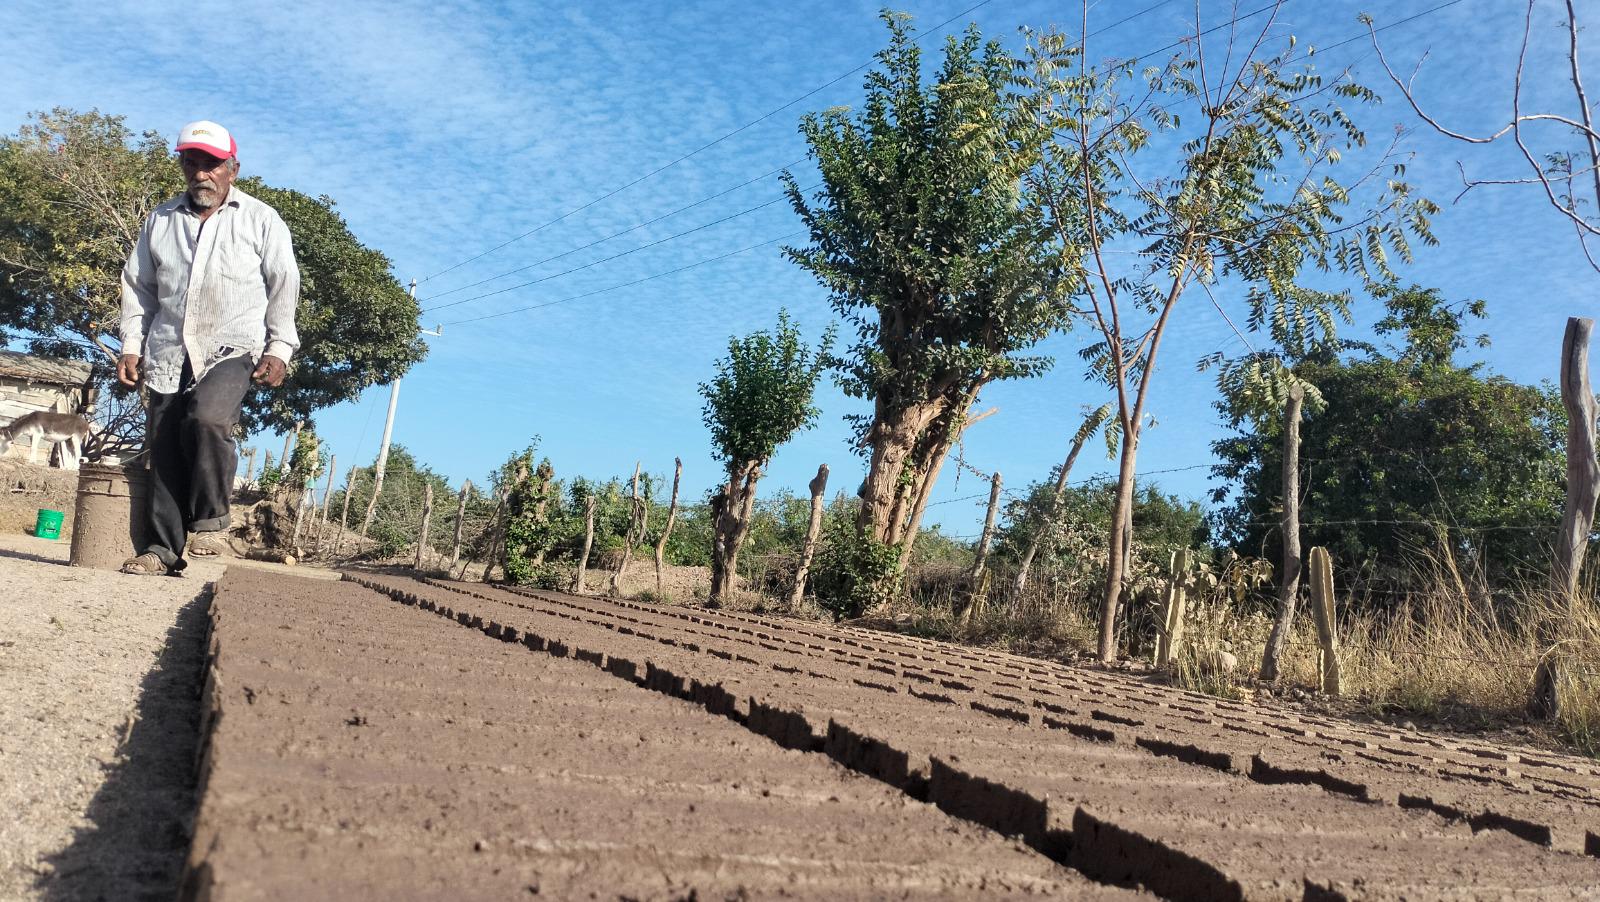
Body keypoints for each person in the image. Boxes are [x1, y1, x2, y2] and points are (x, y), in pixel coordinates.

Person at [116, 120, 300, 576]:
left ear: (232, 169)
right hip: (168, 349)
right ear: (182, 167)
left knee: (209, 418)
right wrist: (131, 345)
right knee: (164, 447)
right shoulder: (159, 221)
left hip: (230, 346)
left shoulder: (261, 219)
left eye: (211, 164)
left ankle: (213, 522)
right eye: (192, 163)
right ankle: (161, 552)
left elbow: (284, 284)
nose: (201, 173)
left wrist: (280, 347)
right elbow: (139, 289)